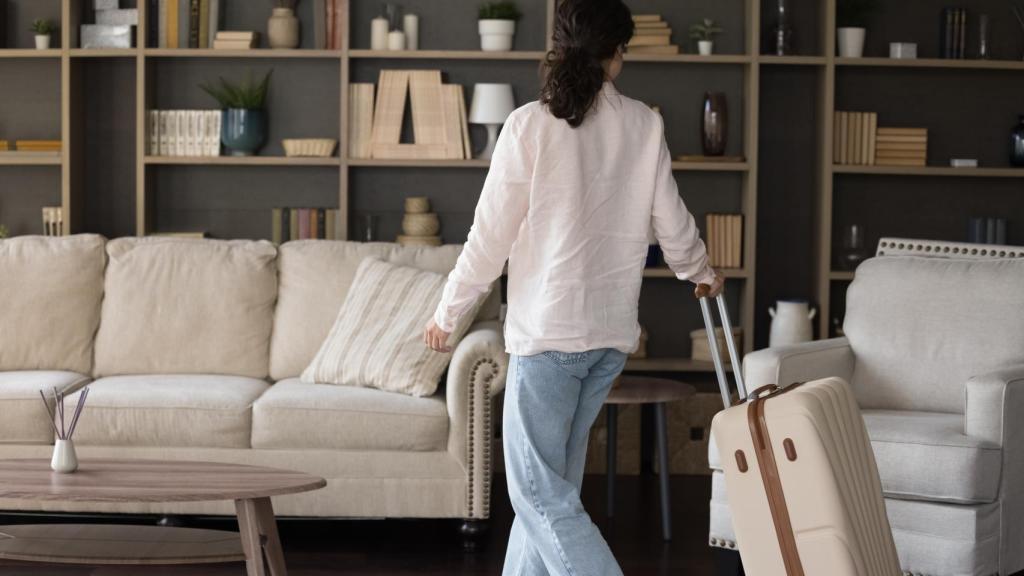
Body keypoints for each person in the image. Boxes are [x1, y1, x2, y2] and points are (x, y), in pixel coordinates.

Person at [424, 0, 723, 573]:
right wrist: (701, 273)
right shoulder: (644, 123)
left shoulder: (529, 126)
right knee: (550, 496)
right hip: (608, 340)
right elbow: (673, 222)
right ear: (616, 56)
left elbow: (490, 237)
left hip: (546, 340)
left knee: (538, 497)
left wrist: (448, 312)